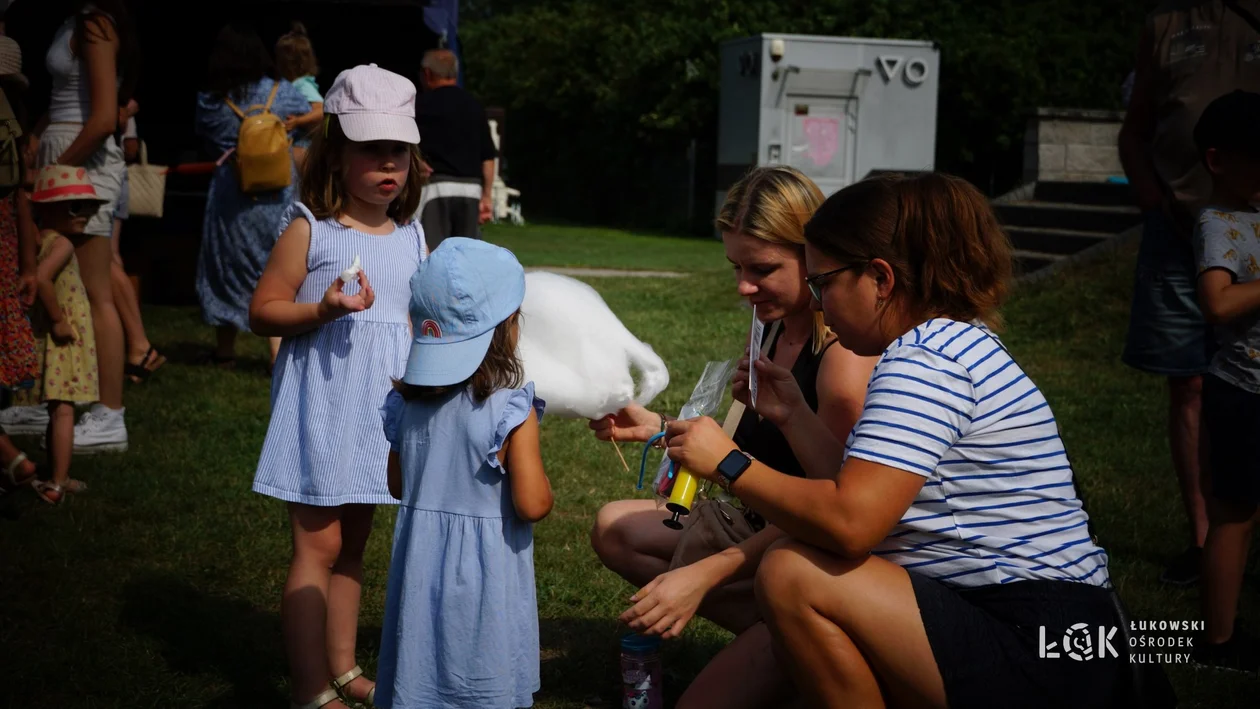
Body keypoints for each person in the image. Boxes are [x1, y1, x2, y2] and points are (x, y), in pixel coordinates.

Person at [662, 173, 1123, 707]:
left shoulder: (924, 363)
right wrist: (794, 416)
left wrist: (731, 464)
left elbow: (850, 524)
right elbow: (862, 489)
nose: (819, 303)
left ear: (880, 278)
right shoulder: (951, 341)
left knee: (792, 573)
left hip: (1034, 635)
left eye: (824, 283)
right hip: (1054, 626)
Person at [590, 166, 876, 707]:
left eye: (762, 268)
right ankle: (777, 643)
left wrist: (704, 575)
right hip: (764, 526)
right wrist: (657, 428)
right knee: (615, 528)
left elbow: (837, 510)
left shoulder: (841, 360)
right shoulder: (771, 325)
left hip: (807, 552)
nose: (744, 287)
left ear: (811, 254)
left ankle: (801, 645)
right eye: (736, 267)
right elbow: (747, 448)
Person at [248, 64, 426, 709]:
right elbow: (263, 307)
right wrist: (319, 311)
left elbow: (414, 317)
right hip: (323, 408)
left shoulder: (412, 235)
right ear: (336, 152)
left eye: (398, 151)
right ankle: (307, 689)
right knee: (317, 548)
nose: (388, 164)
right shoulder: (312, 228)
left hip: (382, 415)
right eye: (371, 149)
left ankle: (345, 670)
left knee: (354, 547)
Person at [1119, 0, 1260, 586]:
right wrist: (1155, 199)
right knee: (1192, 382)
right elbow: (1136, 130)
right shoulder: (1167, 26)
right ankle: (1206, 541)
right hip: (1181, 225)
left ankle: (1239, 537)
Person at [376, 238, 551, 709]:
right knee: (482, 678)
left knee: (423, 670)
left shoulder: (404, 405)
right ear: (508, 327)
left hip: (420, 566)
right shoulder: (511, 411)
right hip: (485, 578)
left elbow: (398, 485)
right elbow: (533, 504)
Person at [21, 0, 138, 453]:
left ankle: (109, 414)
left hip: (82, 163)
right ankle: (49, 396)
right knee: (55, 279)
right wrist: (35, 136)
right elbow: (63, 97)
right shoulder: (73, 19)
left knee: (94, 291)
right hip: (65, 155)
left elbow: (104, 116)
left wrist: (55, 174)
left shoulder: (96, 24)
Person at [1190, 90, 1260, 672]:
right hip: (1242, 392)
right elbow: (1217, 302)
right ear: (1219, 161)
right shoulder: (1219, 224)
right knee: (1234, 515)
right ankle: (1216, 641)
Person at [195, 24, 309, 368]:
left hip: (234, 198)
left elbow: (208, 136)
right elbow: (305, 129)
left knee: (228, 267)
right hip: (280, 196)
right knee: (277, 267)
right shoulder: (283, 93)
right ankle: (277, 348)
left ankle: (225, 349)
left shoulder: (212, 100)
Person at [25, 164, 101, 503]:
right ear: (48, 208)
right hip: (63, 338)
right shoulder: (63, 245)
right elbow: (41, 279)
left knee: (57, 407)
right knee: (64, 409)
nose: (84, 214)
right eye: (75, 206)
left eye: (89, 207)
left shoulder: (39, 240)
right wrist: (58, 320)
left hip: (53, 337)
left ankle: (58, 473)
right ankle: (56, 483)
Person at [0, 33, 39, 489]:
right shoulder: (16, 124)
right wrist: (28, 265)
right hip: (9, 242)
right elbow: (21, 200)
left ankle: (10, 455)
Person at [414, 48, 496, 249]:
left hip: (435, 188)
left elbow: (406, 145)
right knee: (466, 256)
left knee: (431, 254)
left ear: (427, 74)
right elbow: (488, 157)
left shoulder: (420, 105)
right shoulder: (474, 105)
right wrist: (486, 196)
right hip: (471, 190)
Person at [111, 101, 164, 383]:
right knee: (110, 259)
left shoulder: (120, 96)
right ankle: (133, 344)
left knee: (106, 261)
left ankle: (138, 344)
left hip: (104, 173)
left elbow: (130, 148)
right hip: (107, 174)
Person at [275, 22, 323, 170]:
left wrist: (297, 121)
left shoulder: (302, 85)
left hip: (305, 147)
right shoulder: (293, 84)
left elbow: (322, 110)